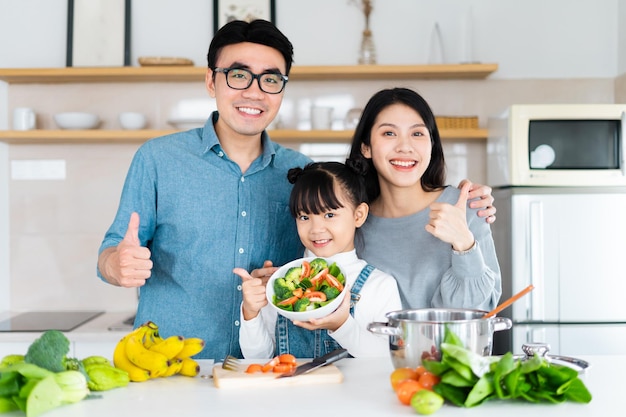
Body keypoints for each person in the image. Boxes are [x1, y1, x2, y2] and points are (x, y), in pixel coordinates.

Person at [96, 19, 496, 361]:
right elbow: (113, 250)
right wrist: (117, 264)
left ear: (282, 89)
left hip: (274, 372)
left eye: (270, 79)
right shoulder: (158, 158)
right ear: (210, 80)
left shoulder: (301, 172)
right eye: (238, 75)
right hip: (174, 362)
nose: (254, 92)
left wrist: (466, 219)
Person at [347, 87, 502, 311]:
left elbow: (483, 311)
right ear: (366, 147)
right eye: (389, 133)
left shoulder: (466, 207)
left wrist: (464, 245)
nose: (405, 147)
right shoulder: (354, 222)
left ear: (432, 145)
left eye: (417, 133)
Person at [234, 162, 402, 358]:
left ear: (359, 215)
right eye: (304, 217)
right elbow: (258, 358)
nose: (316, 229)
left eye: (329, 215)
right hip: (290, 389)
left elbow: (391, 358)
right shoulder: (281, 284)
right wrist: (250, 312)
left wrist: (342, 326)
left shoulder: (380, 286)